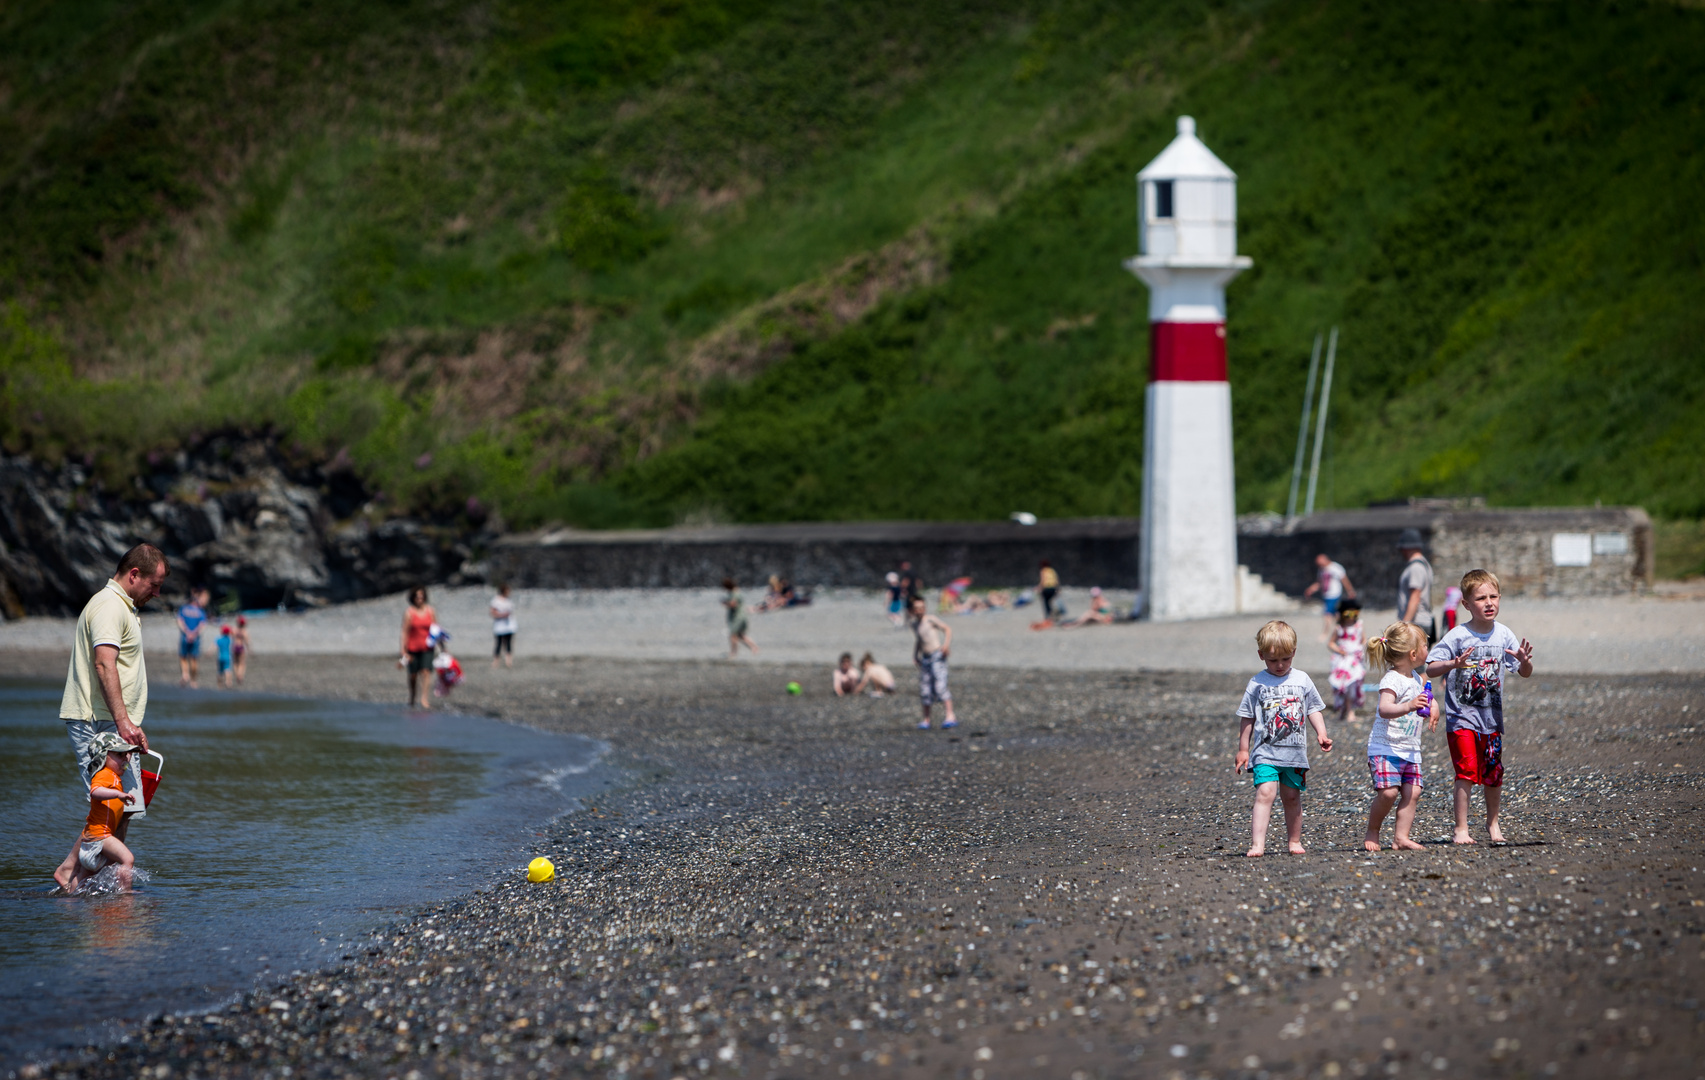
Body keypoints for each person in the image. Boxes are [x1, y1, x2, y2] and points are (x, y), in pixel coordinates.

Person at [54, 543, 168, 888]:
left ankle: (85, 880)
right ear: (134, 574)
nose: (158, 593)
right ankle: (76, 878)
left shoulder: (122, 606)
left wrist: (128, 724)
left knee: (125, 807)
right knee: (109, 806)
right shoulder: (107, 606)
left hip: (114, 723)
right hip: (98, 722)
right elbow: (104, 663)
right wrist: (123, 722)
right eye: (154, 584)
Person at [1426, 569, 1535, 845]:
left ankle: (1493, 824)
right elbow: (1430, 667)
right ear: (1466, 604)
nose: (1489, 603)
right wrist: (1453, 664)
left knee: (1493, 773)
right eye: (1481, 598)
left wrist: (1524, 662)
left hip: (1492, 720)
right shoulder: (1457, 636)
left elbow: (1523, 672)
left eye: (1494, 596)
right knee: (1466, 772)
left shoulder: (1504, 634)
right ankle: (1461, 828)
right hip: (1461, 717)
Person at [1234, 620, 1332, 857]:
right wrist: (1243, 749)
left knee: (1291, 796)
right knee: (1265, 793)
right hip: (1265, 753)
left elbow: (1313, 709)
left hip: (1295, 753)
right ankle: (1258, 844)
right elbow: (1247, 717)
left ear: (1294, 653)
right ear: (1261, 656)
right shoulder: (1257, 683)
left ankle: (1294, 840)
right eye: (1273, 660)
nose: (1280, 665)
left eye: (1286, 659)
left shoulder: (1302, 679)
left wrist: (1321, 732)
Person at [1362, 622, 1436, 852]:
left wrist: (1434, 707)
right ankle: (1373, 830)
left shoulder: (1417, 677)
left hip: (1410, 748)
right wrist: (1409, 705)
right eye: (1425, 644)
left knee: (1413, 792)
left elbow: (1427, 697)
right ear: (1414, 653)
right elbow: (1385, 708)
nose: (1428, 648)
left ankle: (1400, 837)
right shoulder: (1392, 679)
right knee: (1388, 792)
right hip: (1385, 747)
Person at [55, 732, 144, 893]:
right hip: (101, 837)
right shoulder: (104, 774)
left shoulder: (114, 774)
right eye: (119, 755)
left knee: (84, 878)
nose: (125, 760)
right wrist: (118, 794)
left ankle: (70, 901)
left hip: (92, 841)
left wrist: (132, 750)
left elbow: (125, 757)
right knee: (127, 859)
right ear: (103, 757)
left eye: (126, 755)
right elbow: (94, 791)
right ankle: (125, 893)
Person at [909, 595, 957, 730]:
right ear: (913, 610)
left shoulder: (930, 620)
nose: (919, 610)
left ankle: (950, 715)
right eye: (917, 608)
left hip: (937, 655)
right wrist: (915, 655)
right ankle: (926, 719)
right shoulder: (914, 624)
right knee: (925, 689)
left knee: (940, 686)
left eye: (922, 608)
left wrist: (945, 646)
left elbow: (947, 629)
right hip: (925, 658)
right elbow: (919, 639)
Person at [1326, 599, 1366, 723]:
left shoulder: (1358, 625)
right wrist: (1339, 650)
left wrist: (1361, 649)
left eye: (1354, 613)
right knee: (1343, 685)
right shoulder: (1339, 628)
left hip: (1355, 660)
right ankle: (1346, 709)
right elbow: (1330, 643)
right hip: (1343, 660)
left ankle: (1350, 710)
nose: (1351, 617)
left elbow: (1363, 639)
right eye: (1348, 614)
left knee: (1353, 684)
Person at [1396, 528, 1436, 645]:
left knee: (1412, 661)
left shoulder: (1415, 568)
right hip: (1421, 621)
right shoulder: (1424, 564)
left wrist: (1404, 624)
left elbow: (1415, 597)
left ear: (1406, 548)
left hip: (1416, 621)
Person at [1302, 553, 1354, 641]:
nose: (1319, 565)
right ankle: (1343, 633)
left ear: (1326, 559)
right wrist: (1311, 589)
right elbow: (1319, 583)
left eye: (1320, 563)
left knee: (1327, 615)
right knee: (1336, 616)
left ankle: (1325, 634)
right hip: (1326, 596)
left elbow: (1344, 580)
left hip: (1335, 595)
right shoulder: (1321, 570)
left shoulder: (1336, 567)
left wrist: (1350, 591)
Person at [399, 586, 436, 709]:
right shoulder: (409, 612)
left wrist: (443, 646)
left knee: (426, 672)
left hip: (427, 647)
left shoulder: (430, 611)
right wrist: (403, 649)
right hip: (412, 647)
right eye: (417, 596)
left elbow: (436, 630)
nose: (419, 598)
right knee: (413, 675)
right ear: (413, 598)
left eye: (421, 596)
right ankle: (412, 695)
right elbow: (404, 631)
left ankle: (424, 698)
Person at [176, 586, 209, 688]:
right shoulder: (200, 611)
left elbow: (179, 621)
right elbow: (202, 625)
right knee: (194, 659)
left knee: (183, 657)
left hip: (185, 636)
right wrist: (194, 633)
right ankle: (193, 680)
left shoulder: (184, 609)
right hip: (195, 637)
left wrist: (186, 632)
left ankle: (185, 675)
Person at [723, 578, 758, 657]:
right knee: (740, 635)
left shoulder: (734, 593)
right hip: (742, 616)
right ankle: (754, 647)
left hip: (737, 617)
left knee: (733, 635)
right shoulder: (737, 592)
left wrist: (726, 603)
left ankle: (733, 652)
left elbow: (733, 604)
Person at [490, 582, 517, 669]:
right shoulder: (496, 600)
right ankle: (496, 661)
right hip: (499, 624)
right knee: (499, 643)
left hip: (509, 625)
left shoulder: (508, 601)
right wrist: (501, 615)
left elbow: (511, 611)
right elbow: (492, 612)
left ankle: (508, 661)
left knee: (508, 643)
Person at [231, 615, 250, 686]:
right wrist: (249, 649)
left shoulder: (234, 629)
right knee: (242, 663)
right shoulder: (244, 631)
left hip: (235, 646)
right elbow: (247, 641)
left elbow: (231, 637)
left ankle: (236, 675)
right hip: (241, 647)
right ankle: (240, 675)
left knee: (235, 662)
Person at [215, 625, 234, 689]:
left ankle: (219, 684)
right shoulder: (229, 639)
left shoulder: (219, 639)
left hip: (220, 657)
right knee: (227, 669)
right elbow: (233, 633)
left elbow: (215, 647)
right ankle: (228, 682)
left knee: (220, 671)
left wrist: (209, 653)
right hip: (227, 657)